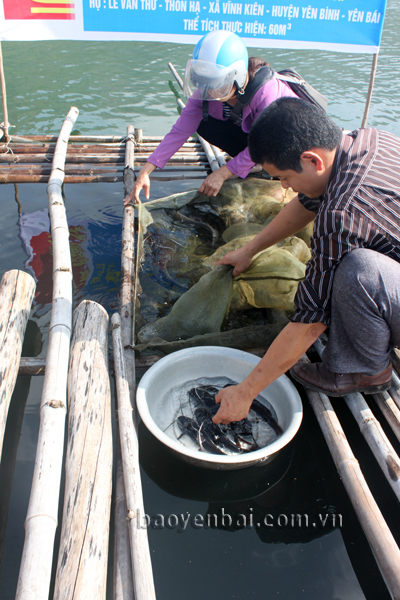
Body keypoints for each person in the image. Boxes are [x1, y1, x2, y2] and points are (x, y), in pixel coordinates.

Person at [212, 96, 400, 425]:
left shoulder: (342, 211)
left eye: (283, 177)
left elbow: (310, 322)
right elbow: (304, 203)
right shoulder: (367, 140)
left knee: (357, 271)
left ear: (312, 160)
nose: (284, 186)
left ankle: (366, 370)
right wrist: (249, 250)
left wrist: (245, 392)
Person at [123, 30, 299, 205]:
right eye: (204, 81)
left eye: (216, 83)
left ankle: (257, 166)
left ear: (236, 76)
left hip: (284, 143)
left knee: (278, 167)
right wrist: (146, 171)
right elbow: (180, 130)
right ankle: (249, 163)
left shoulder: (267, 93)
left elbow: (266, 143)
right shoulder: (208, 88)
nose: (210, 90)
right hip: (257, 139)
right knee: (205, 124)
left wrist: (223, 173)